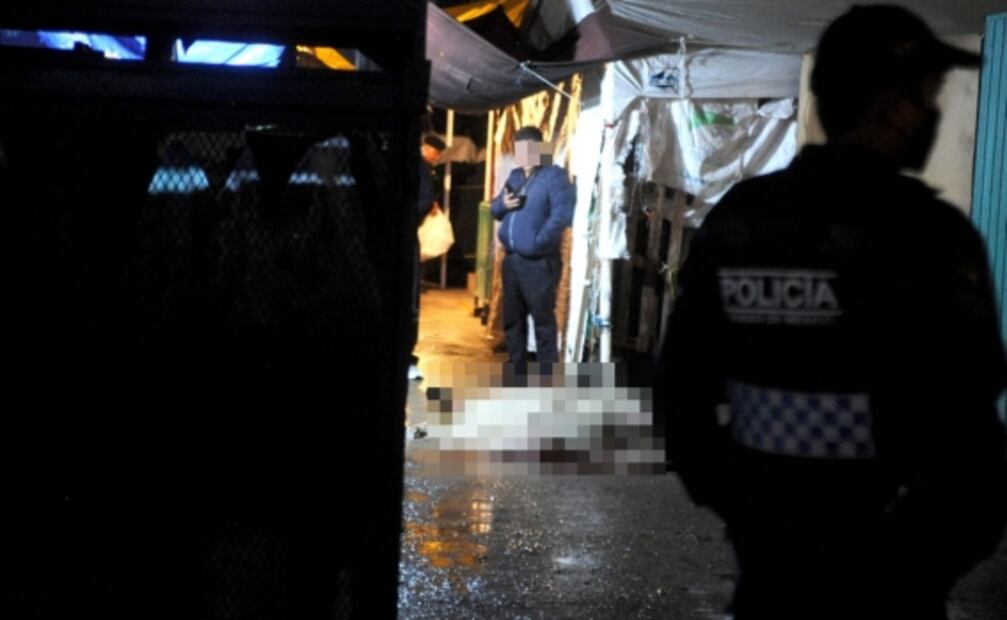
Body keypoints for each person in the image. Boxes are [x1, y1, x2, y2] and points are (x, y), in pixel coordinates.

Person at [659, 6, 1007, 619]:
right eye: (926, 96)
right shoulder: (929, 234)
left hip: (769, 576)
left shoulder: (741, 220)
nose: (931, 113)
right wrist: (914, 562)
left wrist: (749, 510)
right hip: (893, 591)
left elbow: (681, 396)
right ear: (890, 106)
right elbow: (973, 436)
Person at [491, 126, 575, 364]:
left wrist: (538, 244)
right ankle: (516, 368)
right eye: (519, 150)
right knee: (513, 318)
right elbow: (495, 209)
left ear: (539, 149)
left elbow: (562, 216)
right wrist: (504, 205)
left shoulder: (554, 176)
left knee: (542, 320)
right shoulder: (516, 176)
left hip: (539, 262)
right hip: (513, 260)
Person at [408, 134, 445, 381]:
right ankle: (407, 358)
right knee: (409, 301)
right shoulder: (422, 169)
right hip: (406, 236)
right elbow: (425, 200)